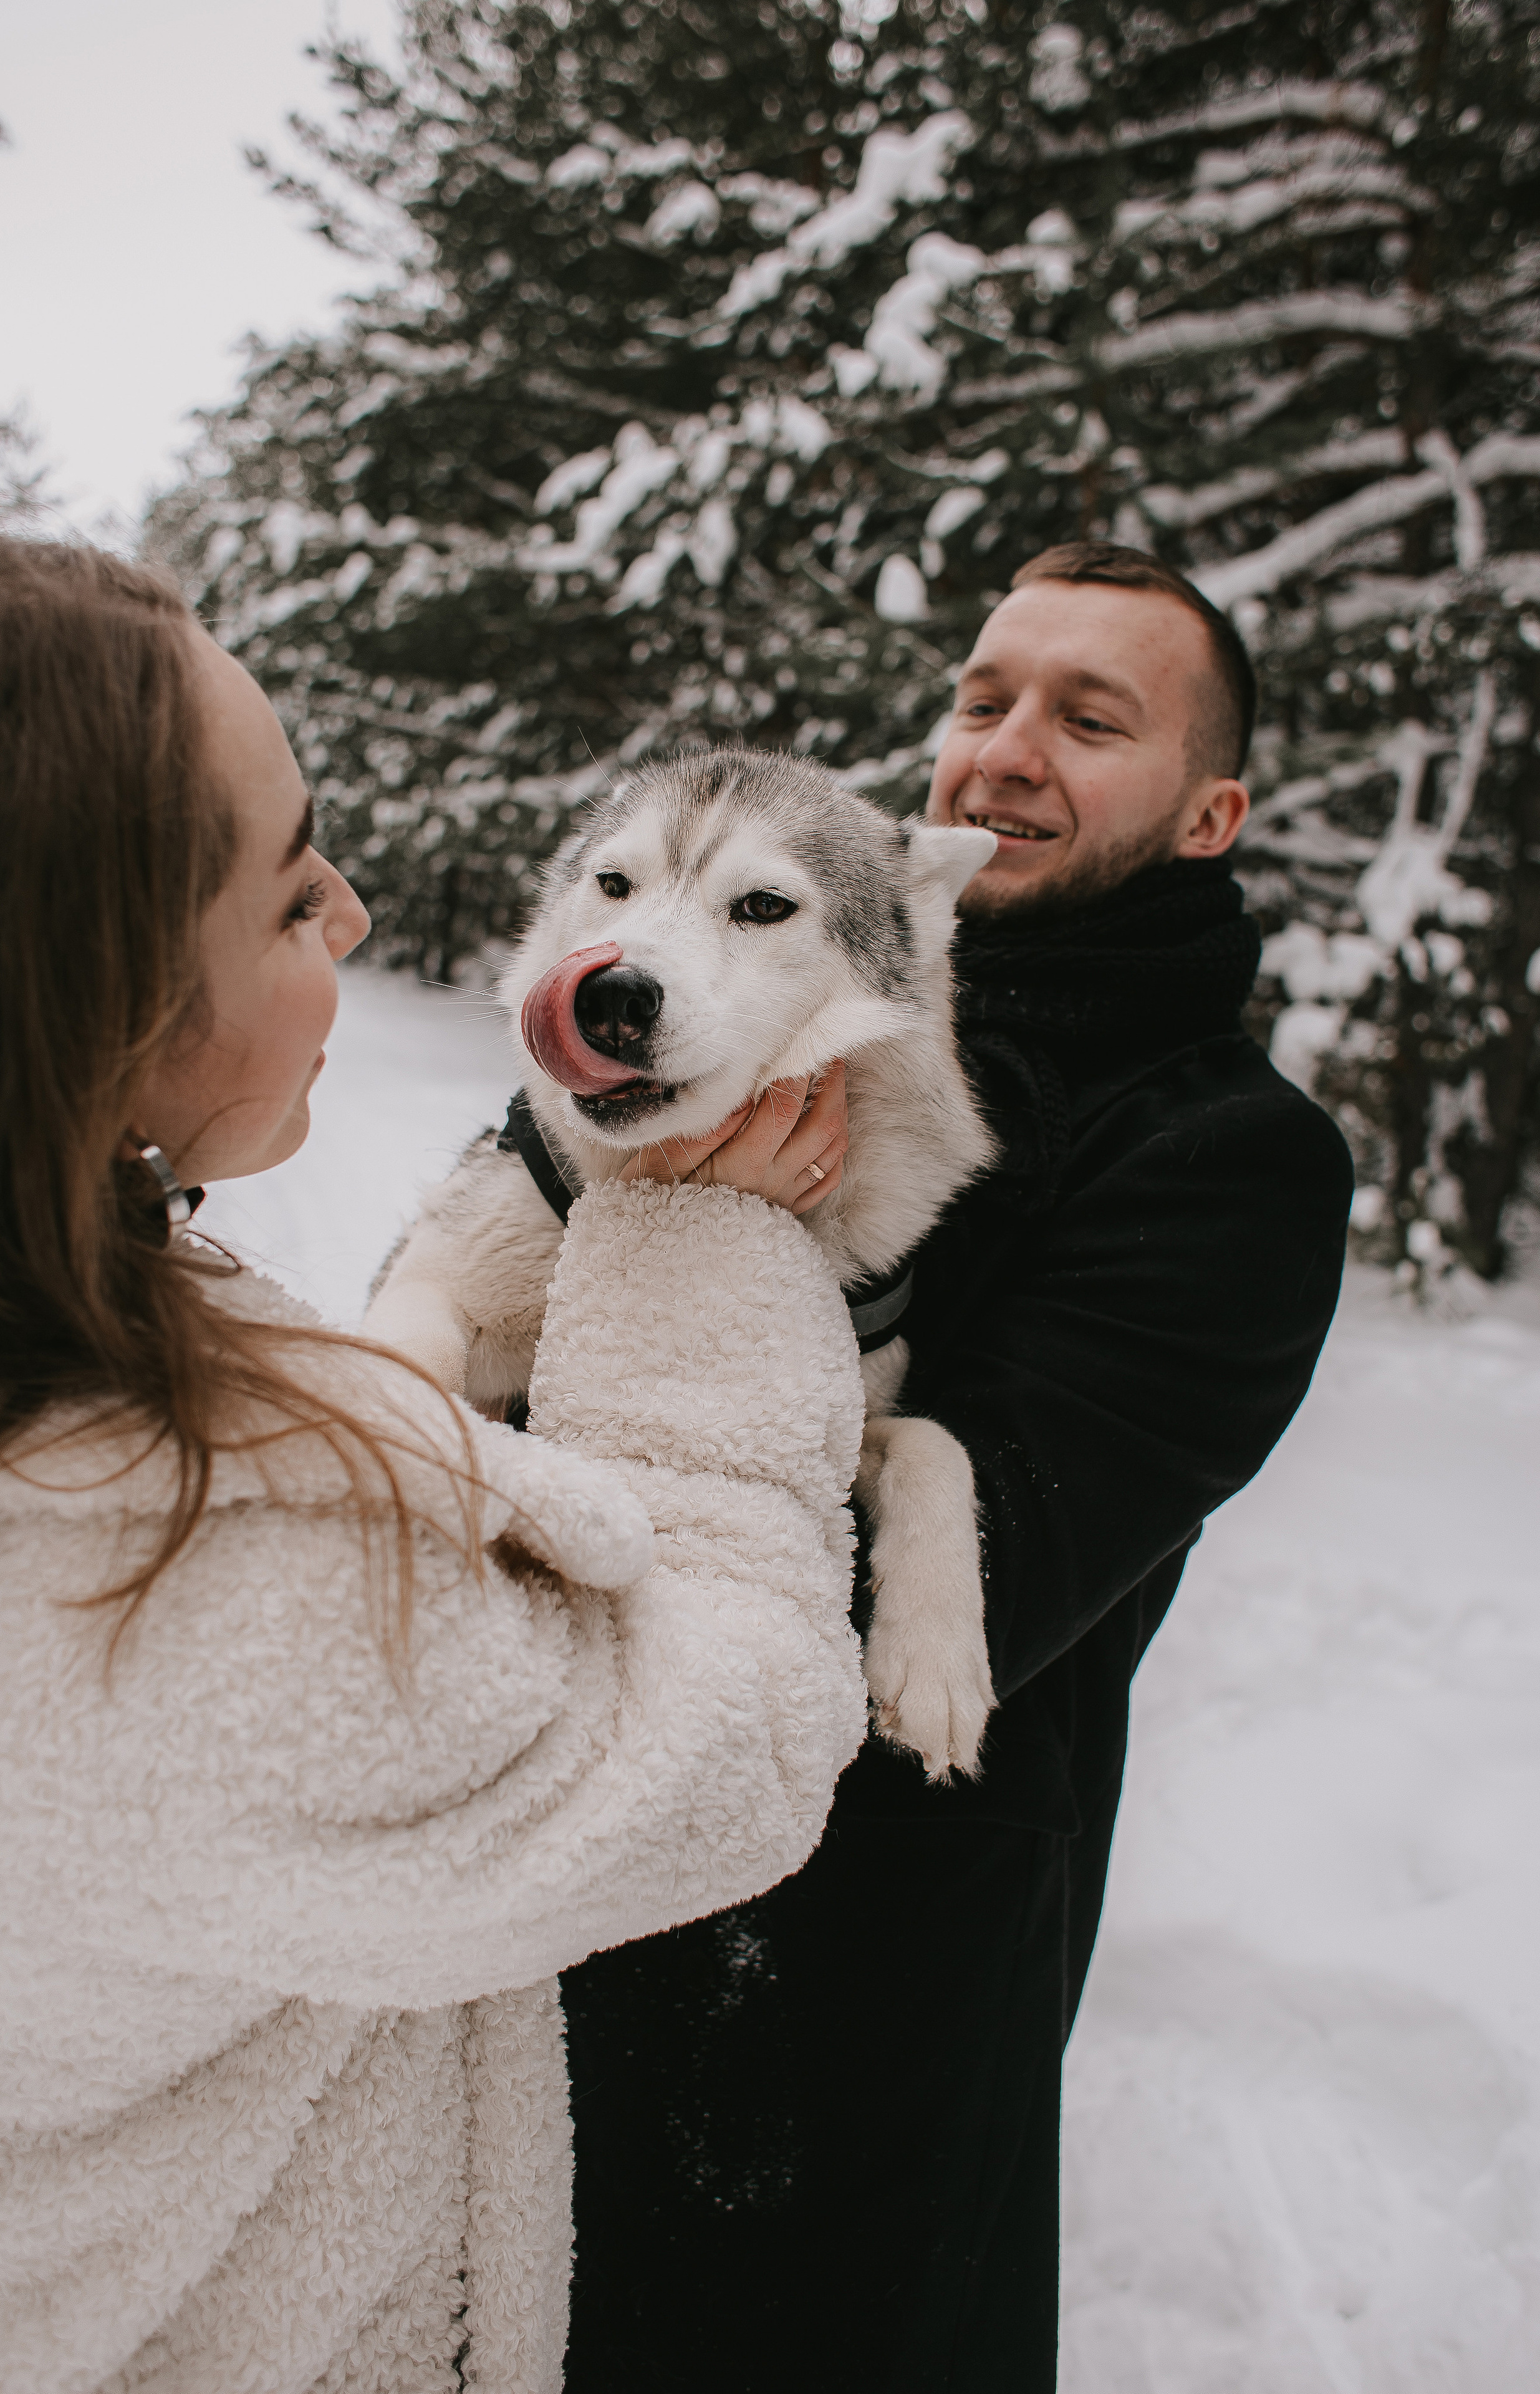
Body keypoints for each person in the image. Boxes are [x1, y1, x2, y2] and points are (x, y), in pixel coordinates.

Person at [0, 531, 869, 2394]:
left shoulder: (28, 1314)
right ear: (96, 999)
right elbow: (732, 1740)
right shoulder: (159, 1576)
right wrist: (697, 1258)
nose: (358, 914)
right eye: (291, 899)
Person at [559, 544, 1355, 2391]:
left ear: (1210, 810)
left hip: (863, 2006)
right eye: (985, 697)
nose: (1005, 750)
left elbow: (969, 1577)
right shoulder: (738, 986)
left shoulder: (1229, 1160)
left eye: (1091, 719)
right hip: (546, 1890)